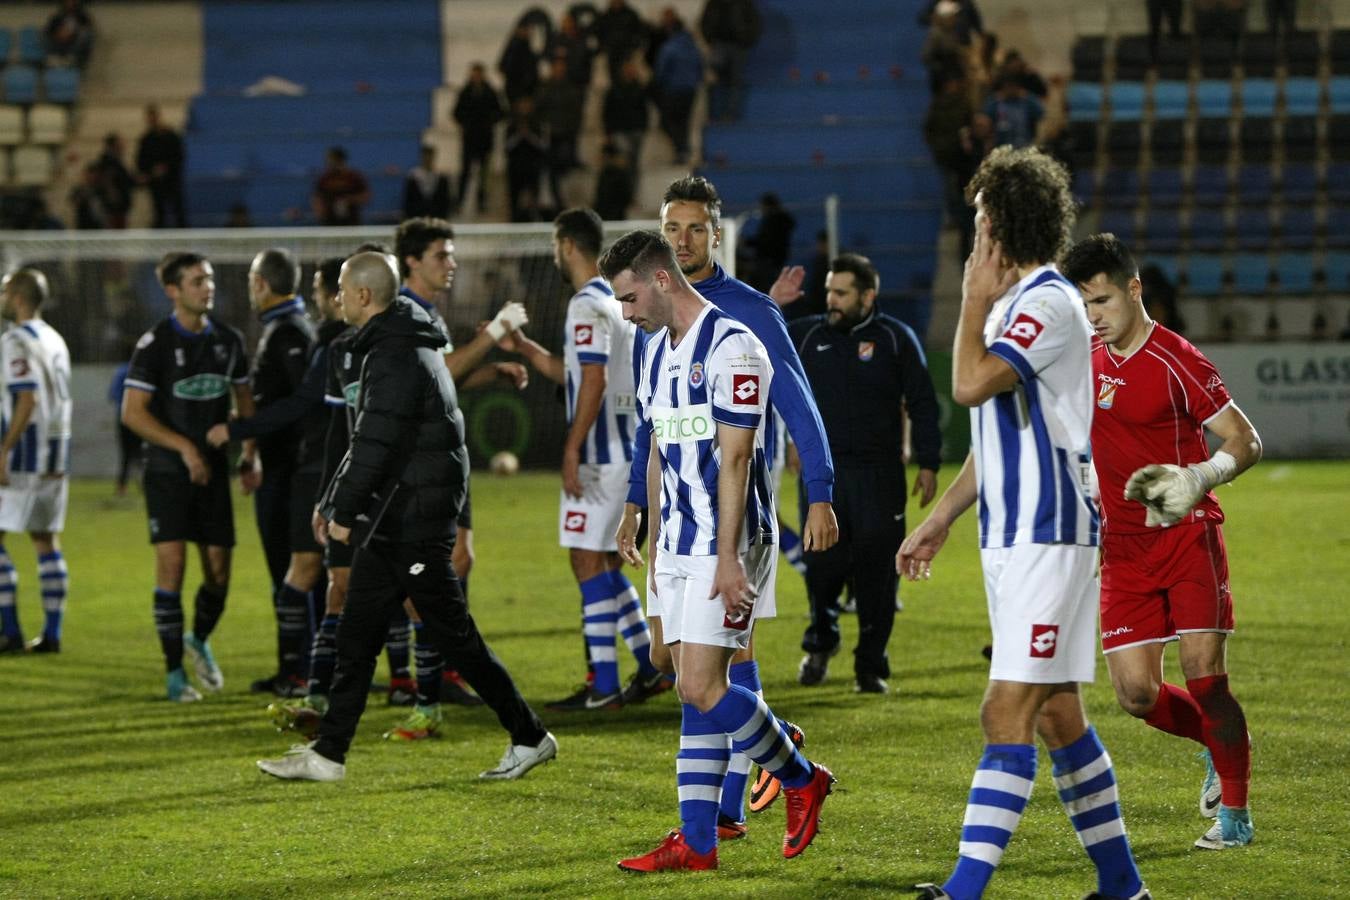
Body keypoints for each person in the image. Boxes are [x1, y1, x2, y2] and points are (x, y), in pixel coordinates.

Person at [897, 147, 1148, 900]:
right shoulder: (1017, 307)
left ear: (1004, 228)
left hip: (1050, 533)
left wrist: (971, 300)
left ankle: (964, 890)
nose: (974, 239)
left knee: (1004, 708)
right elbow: (991, 435)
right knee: (1058, 715)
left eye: (980, 223)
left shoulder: (1043, 301)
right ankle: (1122, 889)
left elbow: (969, 386)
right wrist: (941, 518)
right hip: (1014, 537)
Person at [255, 252, 556, 783]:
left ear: (365, 296)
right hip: (396, 519)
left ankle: (530, 735)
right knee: (358, 634)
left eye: (344, 290)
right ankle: (329, 754)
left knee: (455, 637)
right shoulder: (398, 346)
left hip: (413, 521)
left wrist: (344, 510)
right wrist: (333, 504)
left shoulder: (394, 355)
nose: (338, 299)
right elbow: (368, 437)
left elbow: (376, 442)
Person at [604, 230, 835, 872]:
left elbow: (736, 459)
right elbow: (653, 448)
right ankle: (698, 843)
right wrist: (642, 524)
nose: (625, 313)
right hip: (676, 538)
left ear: (660, 280)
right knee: (686, 685)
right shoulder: (651, 351)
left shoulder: (736, 347)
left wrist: (729, 558)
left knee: (705, 683)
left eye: (628, 298)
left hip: (725, 539)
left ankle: (800, 776)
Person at [1061, 233, 1260, 852]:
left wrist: (1200, 476)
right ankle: (1218, 745)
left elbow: (1244, 441)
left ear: (1134, 289)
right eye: (1085, 305)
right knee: (1136, 695)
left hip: (1187, 537)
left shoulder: (1179, 359)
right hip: (1121, 548)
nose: (1094, 316)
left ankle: (1235, 815)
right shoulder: (1083, 360)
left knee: (1206, 678)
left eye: (1103, 302)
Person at [501, 208, 665, 710]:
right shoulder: (616, 303)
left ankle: (603, 686)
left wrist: (570, 450)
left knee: (586, 561)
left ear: (567, 245)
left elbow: (591, 381)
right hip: (626, 448)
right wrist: (529, 350)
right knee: (607, 565)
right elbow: (577, 372)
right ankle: (649, 665)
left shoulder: (584, 306)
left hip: (599, 457)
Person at [382, 217, 531, 740]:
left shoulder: (430, 313)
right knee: (418, 583)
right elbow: (436, 377)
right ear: (413, 262)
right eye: (442, 255)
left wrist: (491, 370)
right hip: (419, 465)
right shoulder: (403, 314)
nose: (452, 264)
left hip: (447, 460)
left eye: (452, 254)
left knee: (455, 563)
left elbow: (443, 379)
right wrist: (493, 333)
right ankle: (423, 693)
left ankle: (434, 679)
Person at [792, 253, 941, 694]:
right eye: (828, 293)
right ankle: (822, 640)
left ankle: (870, 666)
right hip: (824, 479)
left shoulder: (896, 339)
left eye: (841, 293)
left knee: (879, 572)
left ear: (867, 296)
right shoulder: (807, 336)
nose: (831, 301)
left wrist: (929, 463)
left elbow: (923, 402)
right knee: (821, 568)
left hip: (880, 477)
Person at [121, 252, 256, 701]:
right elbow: (132, 413)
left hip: (214, 472)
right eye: (198, 281)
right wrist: (183, 448)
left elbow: (244, 400)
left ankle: (198, 639)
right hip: (166, 473)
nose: (208, 287)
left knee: (218, 573)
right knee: (173, 567)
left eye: (211, 279)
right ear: (173, 291)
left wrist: (249, 450)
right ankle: (174, 673)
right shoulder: (154, 344)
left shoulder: (229, 340)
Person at [231, 250, 316, 697]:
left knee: (293, 574)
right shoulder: (281, 329)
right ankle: (300, 668)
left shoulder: (289, 333)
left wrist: (240, 429)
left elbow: (303, 403)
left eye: (251, 278)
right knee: (295, 573)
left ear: (261, 283)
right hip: (279, 467)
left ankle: (301, 671)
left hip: (292, 474)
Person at [0, 270, 72, 654]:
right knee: (45, 541)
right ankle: (52, 634)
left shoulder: (14, 341)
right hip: (56, 454)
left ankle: (9, 631)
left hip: (25, 455)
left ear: (16, 296)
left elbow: (26, 399)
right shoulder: (55, 338)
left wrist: (3, 449)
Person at [652, 11, 704, 165]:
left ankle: (681, 149)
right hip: (691, 89)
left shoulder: (669, 47)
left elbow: (661, 70)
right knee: (683, 121)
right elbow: (700, 67)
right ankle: (684, 149)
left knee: (667, 122)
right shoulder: (693, 46)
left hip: (674, 89)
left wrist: (659, 85)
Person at [453, 63, 505, 214]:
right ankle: (460, 201)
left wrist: (488, 121)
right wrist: (467, 123)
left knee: (484, 173)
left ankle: (481, 201)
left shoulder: (490, 92)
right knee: (466, 171)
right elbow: (456, 113)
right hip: (469, 138)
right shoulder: (466, 92)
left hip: (484, 139)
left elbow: (500, 112)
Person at [535, 57, 584, 210]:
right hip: (550, 135)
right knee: (551, 169)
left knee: (562, 168)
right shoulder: (545, 87)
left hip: (566, 135)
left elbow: (575, 112)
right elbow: (539, 108)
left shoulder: (570, 89)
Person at [700, 0, 761, 122]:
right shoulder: (713, 3)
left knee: (735, 81)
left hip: (738, 47)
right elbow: (704, 21)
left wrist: (746, 39)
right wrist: (709, 38)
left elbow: (755, 23)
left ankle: (730, 115)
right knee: (715, 80)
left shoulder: (744, 3)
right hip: (718, 45)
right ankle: (714, 114)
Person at [135, 105, 186, 229]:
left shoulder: (171, 136)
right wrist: (149, 171)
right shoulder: (146, 139)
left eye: (154, 117)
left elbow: (179, 156)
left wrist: (166, 167)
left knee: (177, 209)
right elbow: (141, 160)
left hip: (172, 179)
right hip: (156, 182)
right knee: (159, 212)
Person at [312, 147, 371, 227]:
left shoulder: (354, 177)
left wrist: (348, 200)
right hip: (329, 221)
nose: (329, 164)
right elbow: (317, 198)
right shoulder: (325, 178)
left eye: (332, 161)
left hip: (351, 220)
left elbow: (366, 196)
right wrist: (320, 211)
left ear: (341, 161)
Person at [402, 145, 453, 221]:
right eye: (425, 156)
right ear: (421, 157)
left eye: (430, 156)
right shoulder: (413, 177)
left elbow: (445, 201)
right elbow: (408, 200)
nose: (427, 159)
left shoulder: (441, 178)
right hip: (417, 218)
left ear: (433, 157)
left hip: (436, 218)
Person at [44, 0, 94, 68]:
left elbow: (88, 28)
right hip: (58, 42)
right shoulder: (58, 16)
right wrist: (59, 33)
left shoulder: (82, 16)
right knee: (45, 36)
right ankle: (54, 57)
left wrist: (72, 33)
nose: (70, 3)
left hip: (74, 44)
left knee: (85, 34)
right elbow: (49, 29)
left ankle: (71, 58)